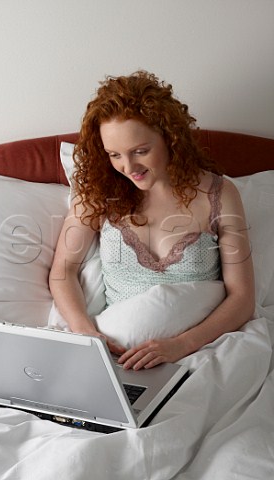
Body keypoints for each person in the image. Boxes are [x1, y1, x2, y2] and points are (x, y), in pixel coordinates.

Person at [49, 70, 255, 370]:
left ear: (170, 138)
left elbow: (242, 298)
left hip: (201, 352)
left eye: (140, 151)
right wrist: (86, 333)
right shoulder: (98, 193)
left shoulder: (219, 194)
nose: (128, 166)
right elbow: (63, 271)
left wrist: (179, 346)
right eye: (114, 155)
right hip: (119, 355)